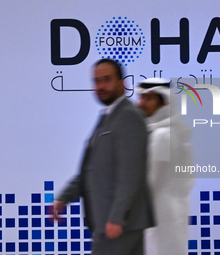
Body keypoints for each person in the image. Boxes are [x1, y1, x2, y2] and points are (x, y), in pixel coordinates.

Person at [52, 59, 154, 255]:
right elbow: (91, 169)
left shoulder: (128, 117)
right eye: (96, 81)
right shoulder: (108, 117)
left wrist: (117, 217)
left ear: (122, 83)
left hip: (120, 224)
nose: (100, 86)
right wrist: (64, 198)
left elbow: (130, 174)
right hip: (109, 222)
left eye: (106, 80)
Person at [137, 78, 195, 255]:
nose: (141, 103)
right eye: (141, 97)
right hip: (172, 210)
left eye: (149, 98)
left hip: (160, 213)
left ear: (164, 102)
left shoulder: (162, 135)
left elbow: (151, 182)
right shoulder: (174, 131)